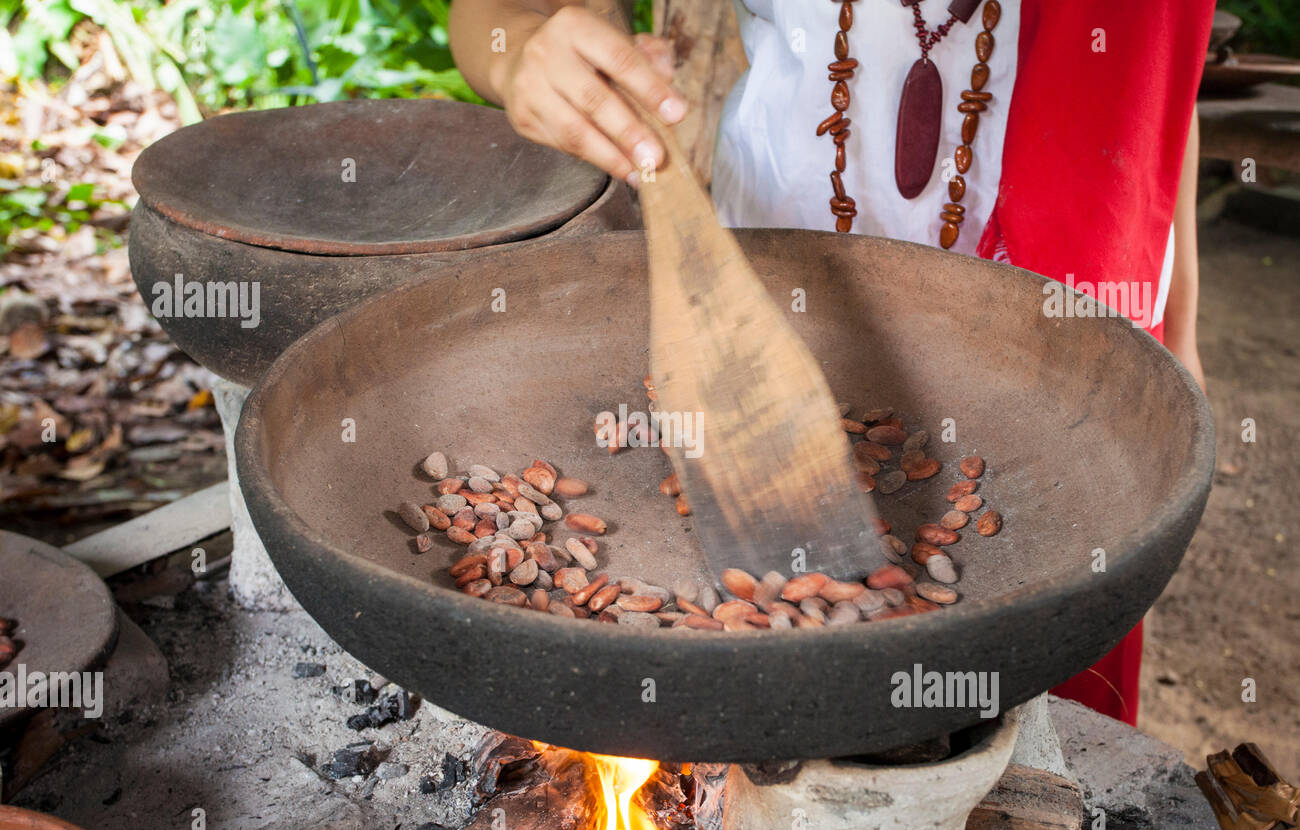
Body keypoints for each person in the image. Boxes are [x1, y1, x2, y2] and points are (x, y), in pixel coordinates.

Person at [448, 0, 1214, 725]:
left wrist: (1179, 332)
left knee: (1046, 731)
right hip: (767, 303)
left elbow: (1160, 96)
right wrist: (519, 55)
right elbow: (491, 17)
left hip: (1063, 354)